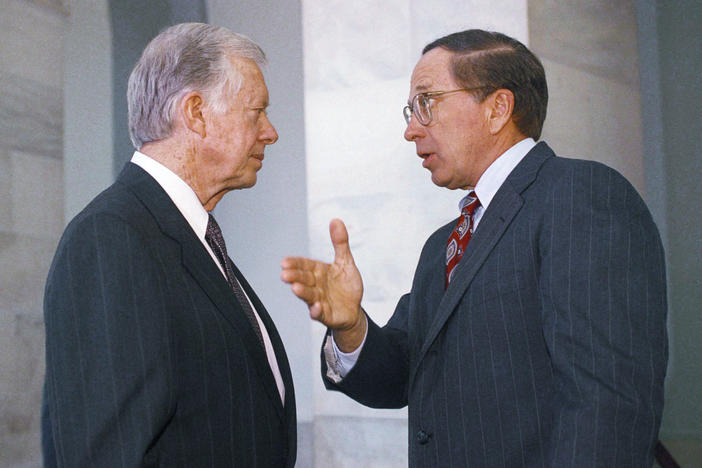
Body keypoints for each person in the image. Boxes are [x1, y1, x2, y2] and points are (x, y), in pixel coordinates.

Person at [281, 29, 667, 467]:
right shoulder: (442, 246)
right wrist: (351, 326)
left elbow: (608, 399)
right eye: (411, 110)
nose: (411, 130)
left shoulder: (579, 195)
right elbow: (399, 378)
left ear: (498, 108)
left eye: (427, 103)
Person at [42, 23, 296, 467]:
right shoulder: (112, 237)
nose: (270, 132)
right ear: (196, 113)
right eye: (256, 112)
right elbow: (108, 453)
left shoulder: (187, 236)